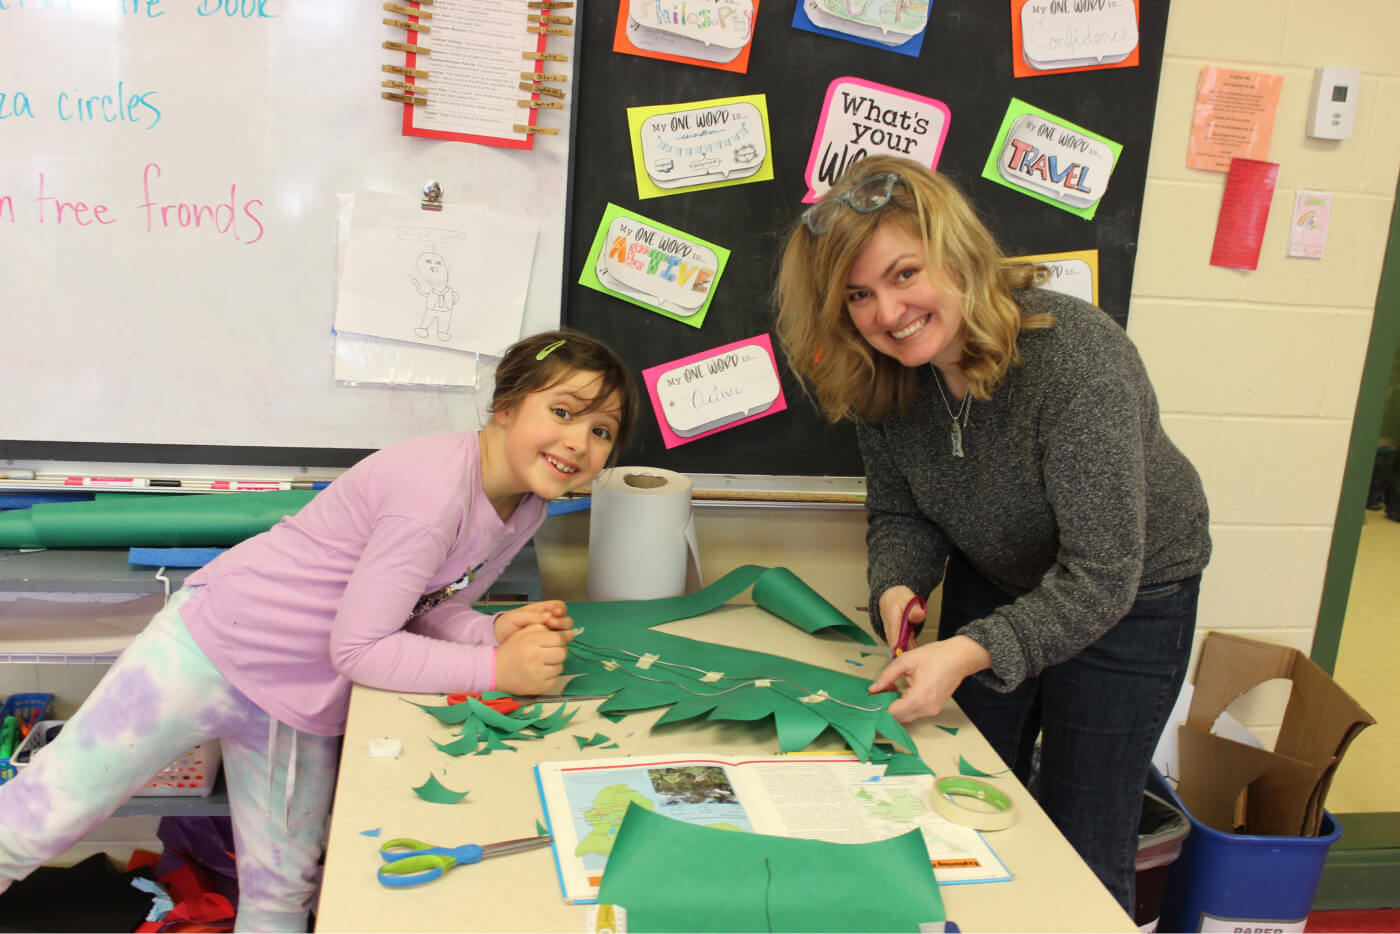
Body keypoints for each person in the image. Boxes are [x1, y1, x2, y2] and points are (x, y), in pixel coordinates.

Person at [0, 329, 638, 932]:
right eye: (562, 412)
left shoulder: (524, 503)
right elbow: (362, 649)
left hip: (298, 700)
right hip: (210, 653)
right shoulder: (434, 494)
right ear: (505, 405)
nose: (579, 442)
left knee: (282, 893)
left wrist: (492, 631)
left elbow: (426, 609)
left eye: (601, 430)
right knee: (34, 824)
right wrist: (498, 671)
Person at [774, 155, 1210, 914]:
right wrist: (898, 587)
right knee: (958, 789)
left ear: (958, 252)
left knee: (1083, 831)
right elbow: (903, 512)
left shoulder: (1076, 360)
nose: (888, 313)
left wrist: (971, 650)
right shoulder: (883, 375)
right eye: (859, 296)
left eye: (906, 274)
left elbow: (1102, 575)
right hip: (999, 572)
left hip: (1131, 598)